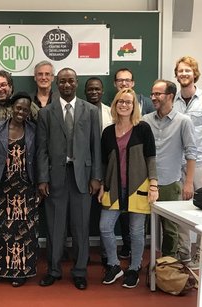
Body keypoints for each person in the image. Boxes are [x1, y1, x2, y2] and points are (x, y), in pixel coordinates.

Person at [37, 67, 102, 290]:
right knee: (55, 227)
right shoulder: (46, 112)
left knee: (81, 227)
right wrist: (42, 178)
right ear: (57, 83)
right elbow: (41, 149)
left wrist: (96, 177)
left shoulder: (91, 111)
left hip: (82, 177)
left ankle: (79, 271)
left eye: (70, 81)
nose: (66, 85)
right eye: (62, 81)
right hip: (56, 176)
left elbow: (96, 146)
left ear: (77, 83)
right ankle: (54, 270)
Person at [98, 88, 158, 289]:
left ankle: (134, 268)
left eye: (128, 102)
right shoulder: (107, 132)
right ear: (115, 105)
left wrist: (154, 184)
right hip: (113, 187)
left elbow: (151, 157)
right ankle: (114, 266)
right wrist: (101, 185)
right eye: (120, 101)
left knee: (136, 231)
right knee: (105, 227)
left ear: (134, 107)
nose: (124, 105)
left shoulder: (143, 128)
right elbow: (105, 163)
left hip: (139, 186)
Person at [0, 92, 39, 287]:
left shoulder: (33, 130)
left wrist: (39, 188)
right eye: (18, 107)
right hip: (3, 188)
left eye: (25, 109)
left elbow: (39, 162)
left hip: (26, 188)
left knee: (25, 234)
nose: (21, 112)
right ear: (12, 108)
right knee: (0, 232)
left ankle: (21, 272)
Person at [173, 56, 202, 268]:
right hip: (178, 165)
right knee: (180, 212)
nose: (184, 74)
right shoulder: (172, 100)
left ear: (194, 74)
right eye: (180, 71)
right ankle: (183, 254)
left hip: (201, 164)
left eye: (187, 71)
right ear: (176, 75)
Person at [142, 80, 196, 257]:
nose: (153, 98)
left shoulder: (183, 122)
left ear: (170, 96)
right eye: (153, 94)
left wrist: (188, 183)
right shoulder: (145, 121)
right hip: (145, 182)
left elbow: (191, 153)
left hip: (170, 182)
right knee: (139, 225)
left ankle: (168, 264)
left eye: (158, 94)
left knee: (170, 228)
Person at [112, 67, 155, 260]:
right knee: (117, 221)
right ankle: (126, 248)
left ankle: (136, 264)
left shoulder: (144, 123)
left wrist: (153, 182)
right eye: (120, 80)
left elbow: (150, 154)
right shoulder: (110, 125)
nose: (124, 83)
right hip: (117, 183)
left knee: (137, 227)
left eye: (127, 80)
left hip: (139, 180)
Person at [84, 77, 112, 266]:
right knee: (83, 217)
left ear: (102, 91)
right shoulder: (80, 111)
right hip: (84, 172)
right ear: (85, 92)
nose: (94, 92)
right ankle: (83, 254)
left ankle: (106, 254)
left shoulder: (112, 112)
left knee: (106, 215)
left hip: (108, 170)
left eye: (97, 89)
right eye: (90, 89)